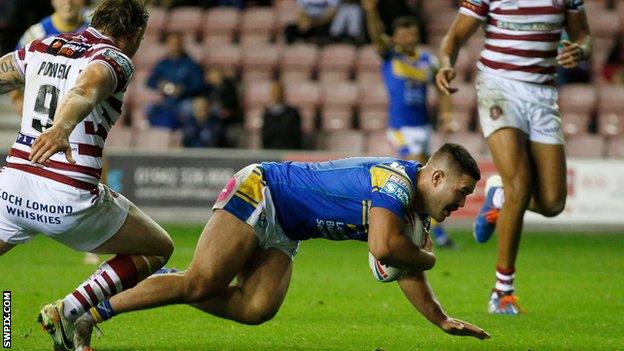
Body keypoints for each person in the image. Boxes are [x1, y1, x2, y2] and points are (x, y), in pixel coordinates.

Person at [70, 143, 490, 349]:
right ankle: (89, 311)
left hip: (286, 227)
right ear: (436, 178)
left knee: (257, 309)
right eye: (463, 191)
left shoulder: (413, 214)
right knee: (201, 282)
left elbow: (404, 265)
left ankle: (164, 281)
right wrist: (429, 257)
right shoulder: (395, 183)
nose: (462, 202)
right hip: (264, 189)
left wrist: (440, 318)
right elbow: (384, 248)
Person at [0, 1, 175, 350]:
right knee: (158, 249)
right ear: (136, 33)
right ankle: (70, 309)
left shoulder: (42, 45)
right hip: (69, 199)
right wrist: (62, 127)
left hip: (12, 189)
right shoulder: (116, 59)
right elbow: (84, 89)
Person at [436, 0, 591, 314]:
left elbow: (584, 37)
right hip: (499, 87)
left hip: (543, 95)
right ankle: (502, 292)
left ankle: (499, 197)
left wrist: (580, 50)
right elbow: (453, 37)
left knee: (552, 202)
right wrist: (445, 63)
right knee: (520, 184)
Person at [363, 0, 456, 249]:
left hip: (423, 126)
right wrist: (371, 11)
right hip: (401, 128)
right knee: (418, 174)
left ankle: (421, 228)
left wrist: (446, 115)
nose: (410, 38)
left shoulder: (427, 61)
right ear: (396, 38)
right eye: (405, 34)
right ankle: (427, 232)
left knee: (427, 181)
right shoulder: (390, 56)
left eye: (413, 33)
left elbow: (443, 88)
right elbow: (376, 37)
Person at [10, 0, 89, 118]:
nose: (68, 2)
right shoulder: (36, 34)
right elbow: (13, 64)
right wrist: (16, 96)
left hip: (81, 114)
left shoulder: (93, 33)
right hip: (41, 115)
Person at [261, 80, 303, 150]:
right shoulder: (267, 114)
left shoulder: (293, 113)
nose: (276, 94)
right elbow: (265, 137)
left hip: (290, 151)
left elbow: (296, 136)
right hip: (270, 152)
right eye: (274, 92)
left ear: (284, 93)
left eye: (279, 92)